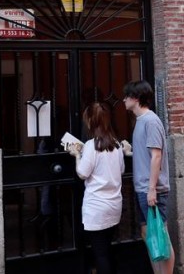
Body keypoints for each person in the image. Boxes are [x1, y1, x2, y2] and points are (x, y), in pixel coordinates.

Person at [122, 80, 175, 274]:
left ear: (136, 98)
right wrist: (131, 152)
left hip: (152, 189)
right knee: (148, 233)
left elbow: (157, 155)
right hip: (144, 188)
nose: (123, 100)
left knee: (161, 236)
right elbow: (148, 155)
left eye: (126, 96)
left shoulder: (151, 121)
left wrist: (152, 189)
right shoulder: (141, 121)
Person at [66, 102, 125, 274]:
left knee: (100, 253)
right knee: (107, 248)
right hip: (114, 205)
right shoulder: (116, 144)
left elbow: (82, 173)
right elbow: (121, 170)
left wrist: (77, 155)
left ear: (91, 122)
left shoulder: (92, 146)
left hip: (97, 208)